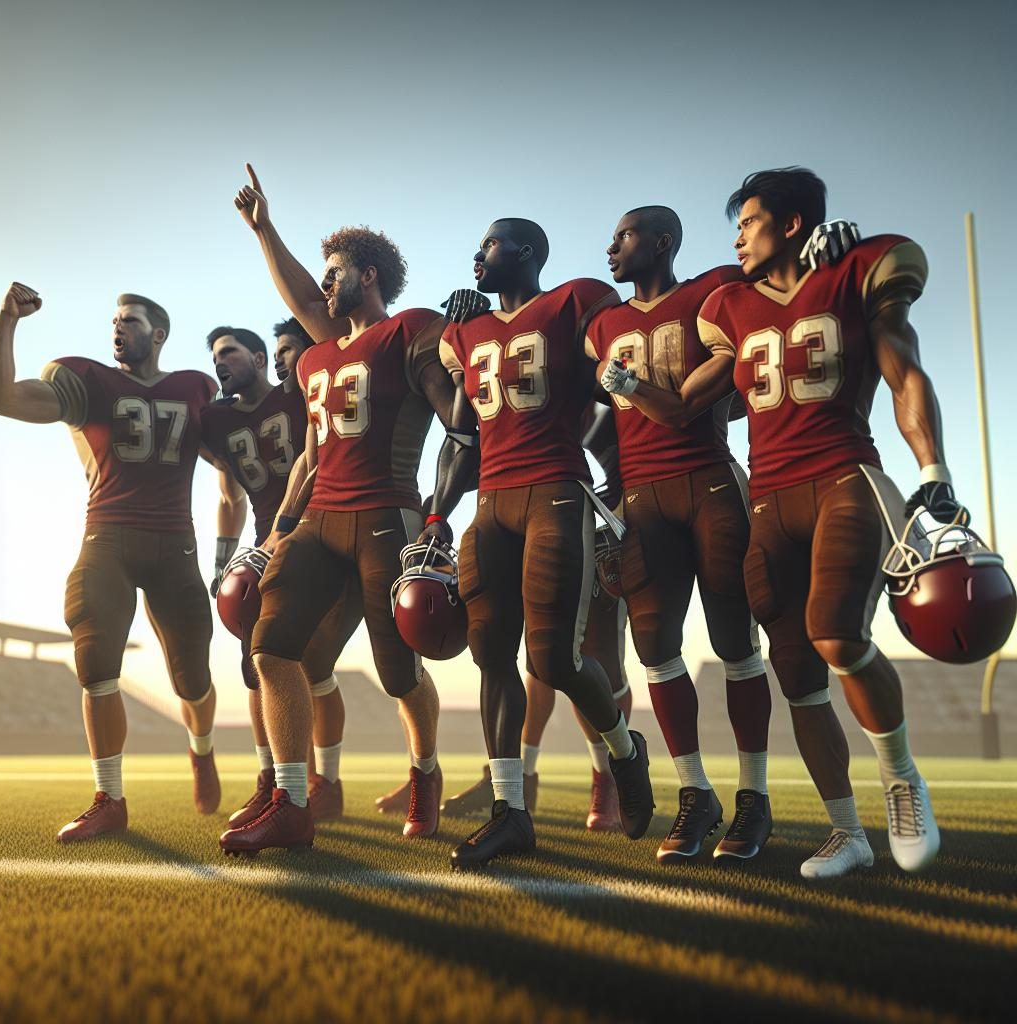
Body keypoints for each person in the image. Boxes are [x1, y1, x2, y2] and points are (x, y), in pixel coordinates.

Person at [691, 167, 957, 877]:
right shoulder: (731, 308)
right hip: (769, 502)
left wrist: (933, 472)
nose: (739, 237)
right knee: (798, 674)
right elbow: (688, 398)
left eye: (748, 222)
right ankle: (848, 832)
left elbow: (904, 372)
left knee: (837, 633)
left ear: (792, 222)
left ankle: (902, 781)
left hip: (846, 477)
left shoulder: (855, 271)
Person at [219, 165, 473, 854]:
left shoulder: (411, 331)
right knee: (270, 650)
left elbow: (458, 412)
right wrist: (277, 531)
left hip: (383, 519)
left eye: (335, 273)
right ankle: (294, 801)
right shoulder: (316, 359)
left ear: (366, 277)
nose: (323, 286)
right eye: (322, 275)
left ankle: (425, 773)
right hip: (318, 519)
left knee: (398, 672)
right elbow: (307, 454)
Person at [432, 217, 655, 869]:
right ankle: (510, 812)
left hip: (556, 489)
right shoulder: (465, 330)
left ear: (526, 253)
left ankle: (623, 749)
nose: (477, 255)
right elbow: (460, 430)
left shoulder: (575, 301)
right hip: (492, 500)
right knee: (490, 654)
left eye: (490, 245)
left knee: (554, 659)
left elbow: (615, 389)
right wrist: (439, 515)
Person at [0, 284, 223, 841]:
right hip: (108, 537)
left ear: (159, 333)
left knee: (191, 679)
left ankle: (202, 748)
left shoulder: (197, 389)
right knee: (94, 658)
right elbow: (3, 398)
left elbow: (234, 468)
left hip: (176, 544)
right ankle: (109, 797)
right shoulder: (86, 380)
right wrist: (6, 322)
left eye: (130, 319)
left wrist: (232, 545)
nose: (117, 327)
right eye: (114, 320)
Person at [592, 205, 774, 862]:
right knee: (655, 648)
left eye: (626, 236)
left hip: (710, 484)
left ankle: (754, 797)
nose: (611, 247)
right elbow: (576, 414)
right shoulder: (602, 323)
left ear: (663, 242)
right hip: (641, 498)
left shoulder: (711, 293)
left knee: (735, 641)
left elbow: (687, 406)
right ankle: (695, 793)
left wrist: (821, 251)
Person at [200, 324, 350, 825]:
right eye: (214, 356)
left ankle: (324, 780)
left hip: (318, 529)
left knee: (313, 663)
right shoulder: (218, 422)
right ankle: (272, 781)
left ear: (261, 359)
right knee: (256, 665)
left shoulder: (299, 390)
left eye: (229, 353)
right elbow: (228, 495)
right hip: (267, 542)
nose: (220, 362)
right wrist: (224, 559)